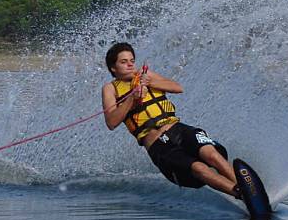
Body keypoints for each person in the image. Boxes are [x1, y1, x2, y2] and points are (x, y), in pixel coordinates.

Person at [101, 42, 240, 197]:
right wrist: (131, 99)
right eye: (123, 62)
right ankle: (239, 193)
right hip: (157, 144)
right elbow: (111, 122)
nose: (130, 65)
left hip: (177, 129)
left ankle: (244, 186)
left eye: (132, 60)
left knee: (211, 154)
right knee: (199, 168)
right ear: (113, 68)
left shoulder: (145, 75)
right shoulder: (110, 88)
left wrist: (151, 82)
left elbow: (177, 87)